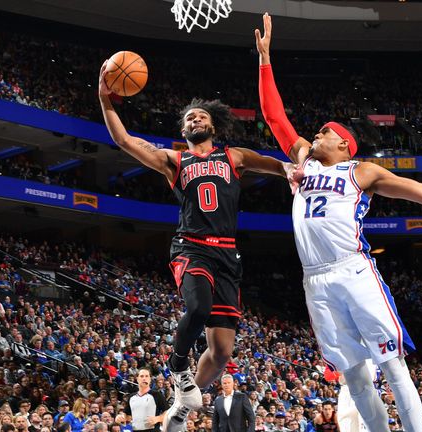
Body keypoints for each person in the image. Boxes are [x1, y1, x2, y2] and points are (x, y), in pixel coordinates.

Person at [255, 13, 422, 432]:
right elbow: (275, 117)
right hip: (314, 279)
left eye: (325, 131)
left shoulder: (362, 171)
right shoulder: (303, 161)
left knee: (391, 361)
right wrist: (264, 60)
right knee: (354, 375)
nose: (316, 134)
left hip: (352, 268)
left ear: (344, 144)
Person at [99, 62, 293, 432]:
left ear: (213, 126)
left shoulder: (233, 156)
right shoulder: (173, 160)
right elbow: (124, 140)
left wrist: (288, 171)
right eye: (189, 118)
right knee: (198, 307)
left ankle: (181, 407)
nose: (194, 120)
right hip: (191, 246)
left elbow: (274, 165)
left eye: (201, 116)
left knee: (221, 353)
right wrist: (104, 99)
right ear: (183, 129)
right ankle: (177, 366)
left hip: (227, 254)